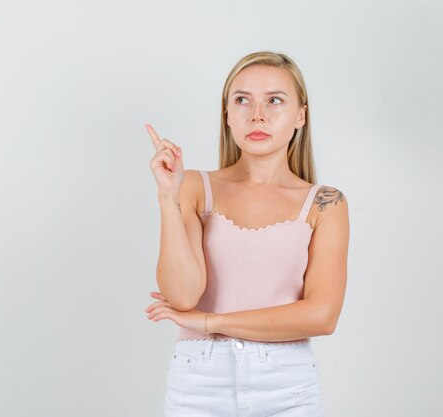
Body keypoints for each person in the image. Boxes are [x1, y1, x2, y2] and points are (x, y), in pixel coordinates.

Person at [145, 51, 349, 416]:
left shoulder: (325, 204)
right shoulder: (193, 185)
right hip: (198, 382)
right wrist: (167, 195)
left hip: (286, 384)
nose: (257, 114)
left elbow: (322, 316)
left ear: (301, 115)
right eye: (242, 100)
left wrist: (213, 322)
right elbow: (182, 295)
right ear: (227, 113)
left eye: (275, 100)